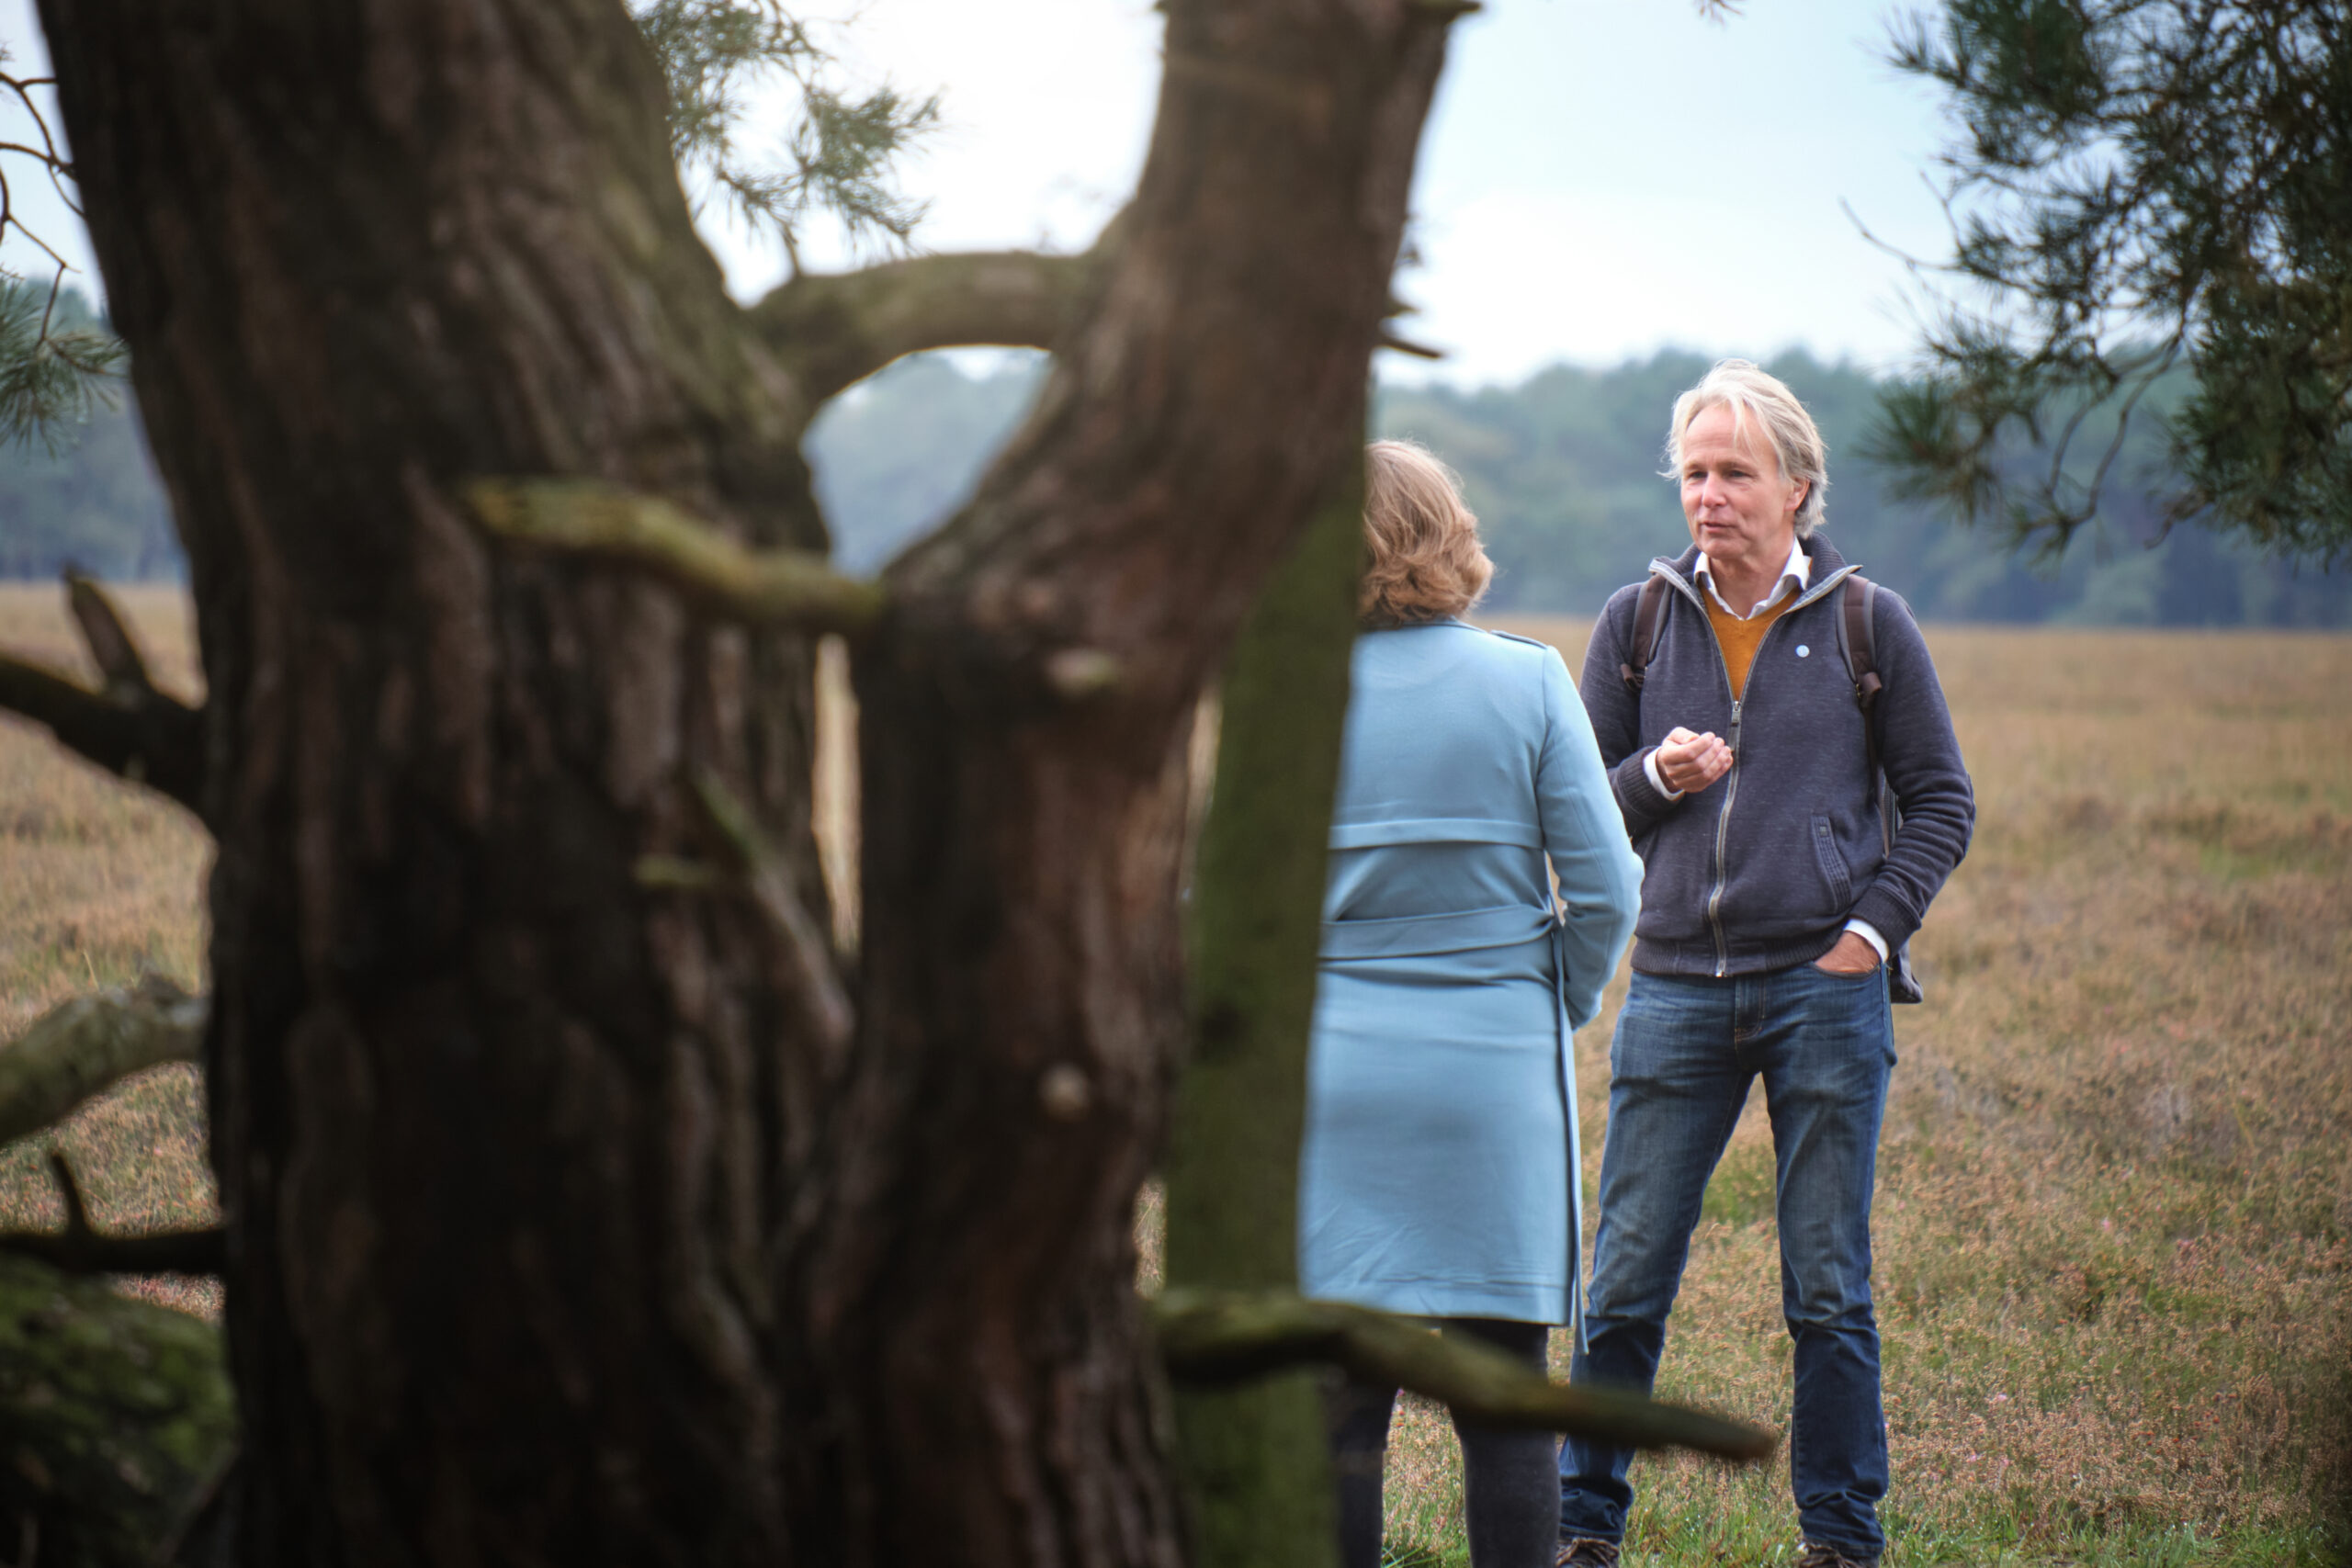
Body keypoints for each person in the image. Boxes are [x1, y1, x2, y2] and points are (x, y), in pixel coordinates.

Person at [1555, 362, 1974, 1568]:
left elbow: (1943, 800)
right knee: (1625, 1279)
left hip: (1823, 991)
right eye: (1694, 471)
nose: (1710, 495)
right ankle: (1585, 1528)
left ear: (1796, 486)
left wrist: (1870, 932)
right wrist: (1654, 780)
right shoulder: (1637, 623)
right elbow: (1583, 806)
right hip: (1675, 988)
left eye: (1736, 471)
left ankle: (1841, 1539)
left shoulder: (1865, 619)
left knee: (1828, 1287)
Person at [1299, 439, 1644, 1568]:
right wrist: (1555, 996)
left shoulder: (1281, 696)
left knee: (1342, 1411)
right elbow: (1608, 885)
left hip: (1333, 1078)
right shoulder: (1527, 676)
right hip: (1492, 1073)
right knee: (1505, 1404)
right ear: (1447, 534)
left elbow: (1224, 901)